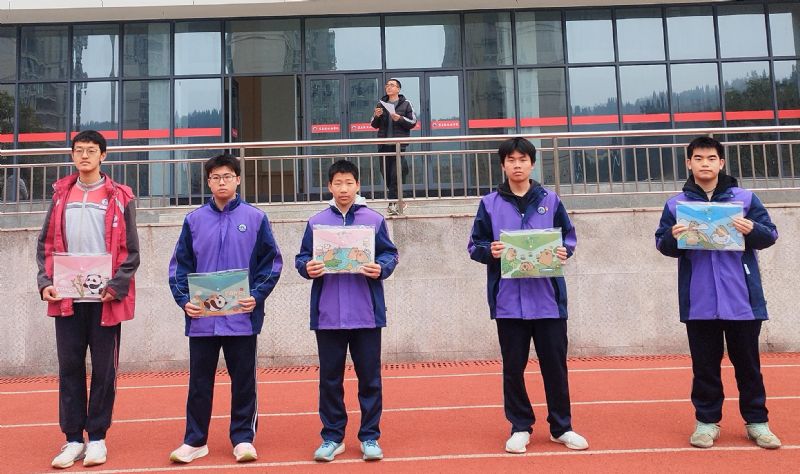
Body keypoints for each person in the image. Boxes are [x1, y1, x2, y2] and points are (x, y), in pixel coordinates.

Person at [655, 136, 781, 450]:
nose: (705, 164)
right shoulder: (676, 205)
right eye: (698, 158)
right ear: (689, 163)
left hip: (742, 301)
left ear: (721, 162)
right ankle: (706, 422)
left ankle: (757, 422)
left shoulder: (745, 199)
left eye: (711, 158)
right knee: (705, 369)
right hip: (699, 302)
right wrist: (671, 236)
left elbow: (770, 235)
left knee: (749, 367)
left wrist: (752, 229)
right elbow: (662, 244)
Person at [467, 137, 588, 454]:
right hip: (508, 302)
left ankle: (561, 427)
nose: (517, 165)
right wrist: (490, 251)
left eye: (522, 159)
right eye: (511, 160)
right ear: (503, 165)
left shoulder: (551, 199)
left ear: (532, 164)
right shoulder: (489, 203)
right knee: (513, 368)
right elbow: (475, 245)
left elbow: (568, 237)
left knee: (555, 367)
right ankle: (520, 426)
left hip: (548, 301)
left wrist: (564, 251)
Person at [168, 153, 283, 464]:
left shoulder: (256, 218)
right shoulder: (193, 220)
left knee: (244, 381)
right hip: (203, 320)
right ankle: (195, 441)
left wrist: (256, 296)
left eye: (227, 176)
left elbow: (272, 263)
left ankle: (243, 438)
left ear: (238, 179)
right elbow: (179, 266)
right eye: (216, 177)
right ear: (208, 182)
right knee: (199, 383)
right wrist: (184, 300)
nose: (222, 182)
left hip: (242, 317)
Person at [36, 130, 140, 469]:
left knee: (104, 371)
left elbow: (131, 252)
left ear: (103, 156)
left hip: (104, 300)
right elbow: (45, 245)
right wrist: (45, 283)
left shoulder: (120, 196)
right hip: (67, 299)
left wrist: (117, 286)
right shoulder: (60, 196)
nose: (84, 155)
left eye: (91, 150)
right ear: (72, 155)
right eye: (79, 150)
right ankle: (72, 439)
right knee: (69, 369)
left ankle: (97, 438)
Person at [295, 159, 399, 462]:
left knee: (370, 379)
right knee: (330, 380)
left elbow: (390, 254)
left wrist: (381, 267)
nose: (344, 188)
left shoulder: (373, 220)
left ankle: (369, 436)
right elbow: (302, 258)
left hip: (366, 314)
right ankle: (332, 436)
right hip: (328, 315)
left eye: (349, 183)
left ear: (358, 185)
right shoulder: (316, 222)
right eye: (338, 183)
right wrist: (307, 267)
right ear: (329, 186)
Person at [370, 78, 417, 215]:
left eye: (392, 85)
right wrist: (376, 116)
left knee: (396, 174)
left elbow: (413, 122)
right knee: (386, 174)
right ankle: (399, 201)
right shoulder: (381, 103)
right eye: (387, 85)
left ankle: (392, 204)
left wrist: (400, 118)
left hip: (398, 146)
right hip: (383, 145)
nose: (388, 87)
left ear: (398, 89)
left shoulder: (406, 103)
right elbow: (373, 124)